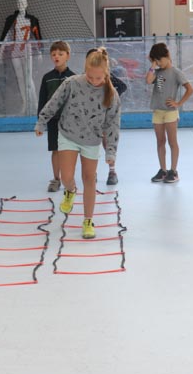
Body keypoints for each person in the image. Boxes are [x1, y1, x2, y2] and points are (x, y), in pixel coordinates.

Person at [35, 48, 121, 240]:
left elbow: (113, 124)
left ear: (106, 74)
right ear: (85, 70)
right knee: (66, 176)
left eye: (99, 78)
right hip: (68, 134)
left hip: (92, 140)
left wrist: (111, 151)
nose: (94, 81)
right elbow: (54, 102)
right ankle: (70, 190)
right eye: (90, 77)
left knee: (89, 179)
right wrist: (42, 121)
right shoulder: (72, 83)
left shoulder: (111, 94)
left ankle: (88, 221)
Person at [145, 42, 193, 184]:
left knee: (172, 142)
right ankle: (163, 170)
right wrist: (153, 65)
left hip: (170, 113)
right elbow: (148, 81)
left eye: (160, 60)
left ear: (167, 56)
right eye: (156, 61)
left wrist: (178, 103)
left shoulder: (176, 72)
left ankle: (173, 171)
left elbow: (190, 89)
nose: (159, 64)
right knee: (160, 142)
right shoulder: (157, 72)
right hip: (158, 112)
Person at [88, 47, 129, 185]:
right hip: (91, 118)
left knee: (107, 142)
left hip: (106, 118)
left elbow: (122, 86)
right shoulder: (85, 79)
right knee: (91, 145)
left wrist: (112, 99)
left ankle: (112, 171)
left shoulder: (108, 78)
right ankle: (92, 172)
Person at [38, 41, 75, 192]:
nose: (56, 57)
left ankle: (69, 179)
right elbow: (42, 100)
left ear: (68, 56)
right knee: (55, 150)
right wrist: (41, 122)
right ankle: (56, 179)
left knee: (70, 151)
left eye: (60, 54)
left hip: (69, 122)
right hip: (53, 121)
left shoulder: (74, 77)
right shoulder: (47, 78)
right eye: (53, 54)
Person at [0, 0, 42, 114]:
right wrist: (0, 52)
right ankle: (25, 102)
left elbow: (36, 36)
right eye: (19, 3)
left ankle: (35, 103)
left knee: (28, 77)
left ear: (27, 4)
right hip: (15, 49)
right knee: (20, 78)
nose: (21, 5)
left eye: (23, 3)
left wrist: (39, 51)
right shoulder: (12, 19)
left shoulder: (32, 19)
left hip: (26, 49)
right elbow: (7, 36)